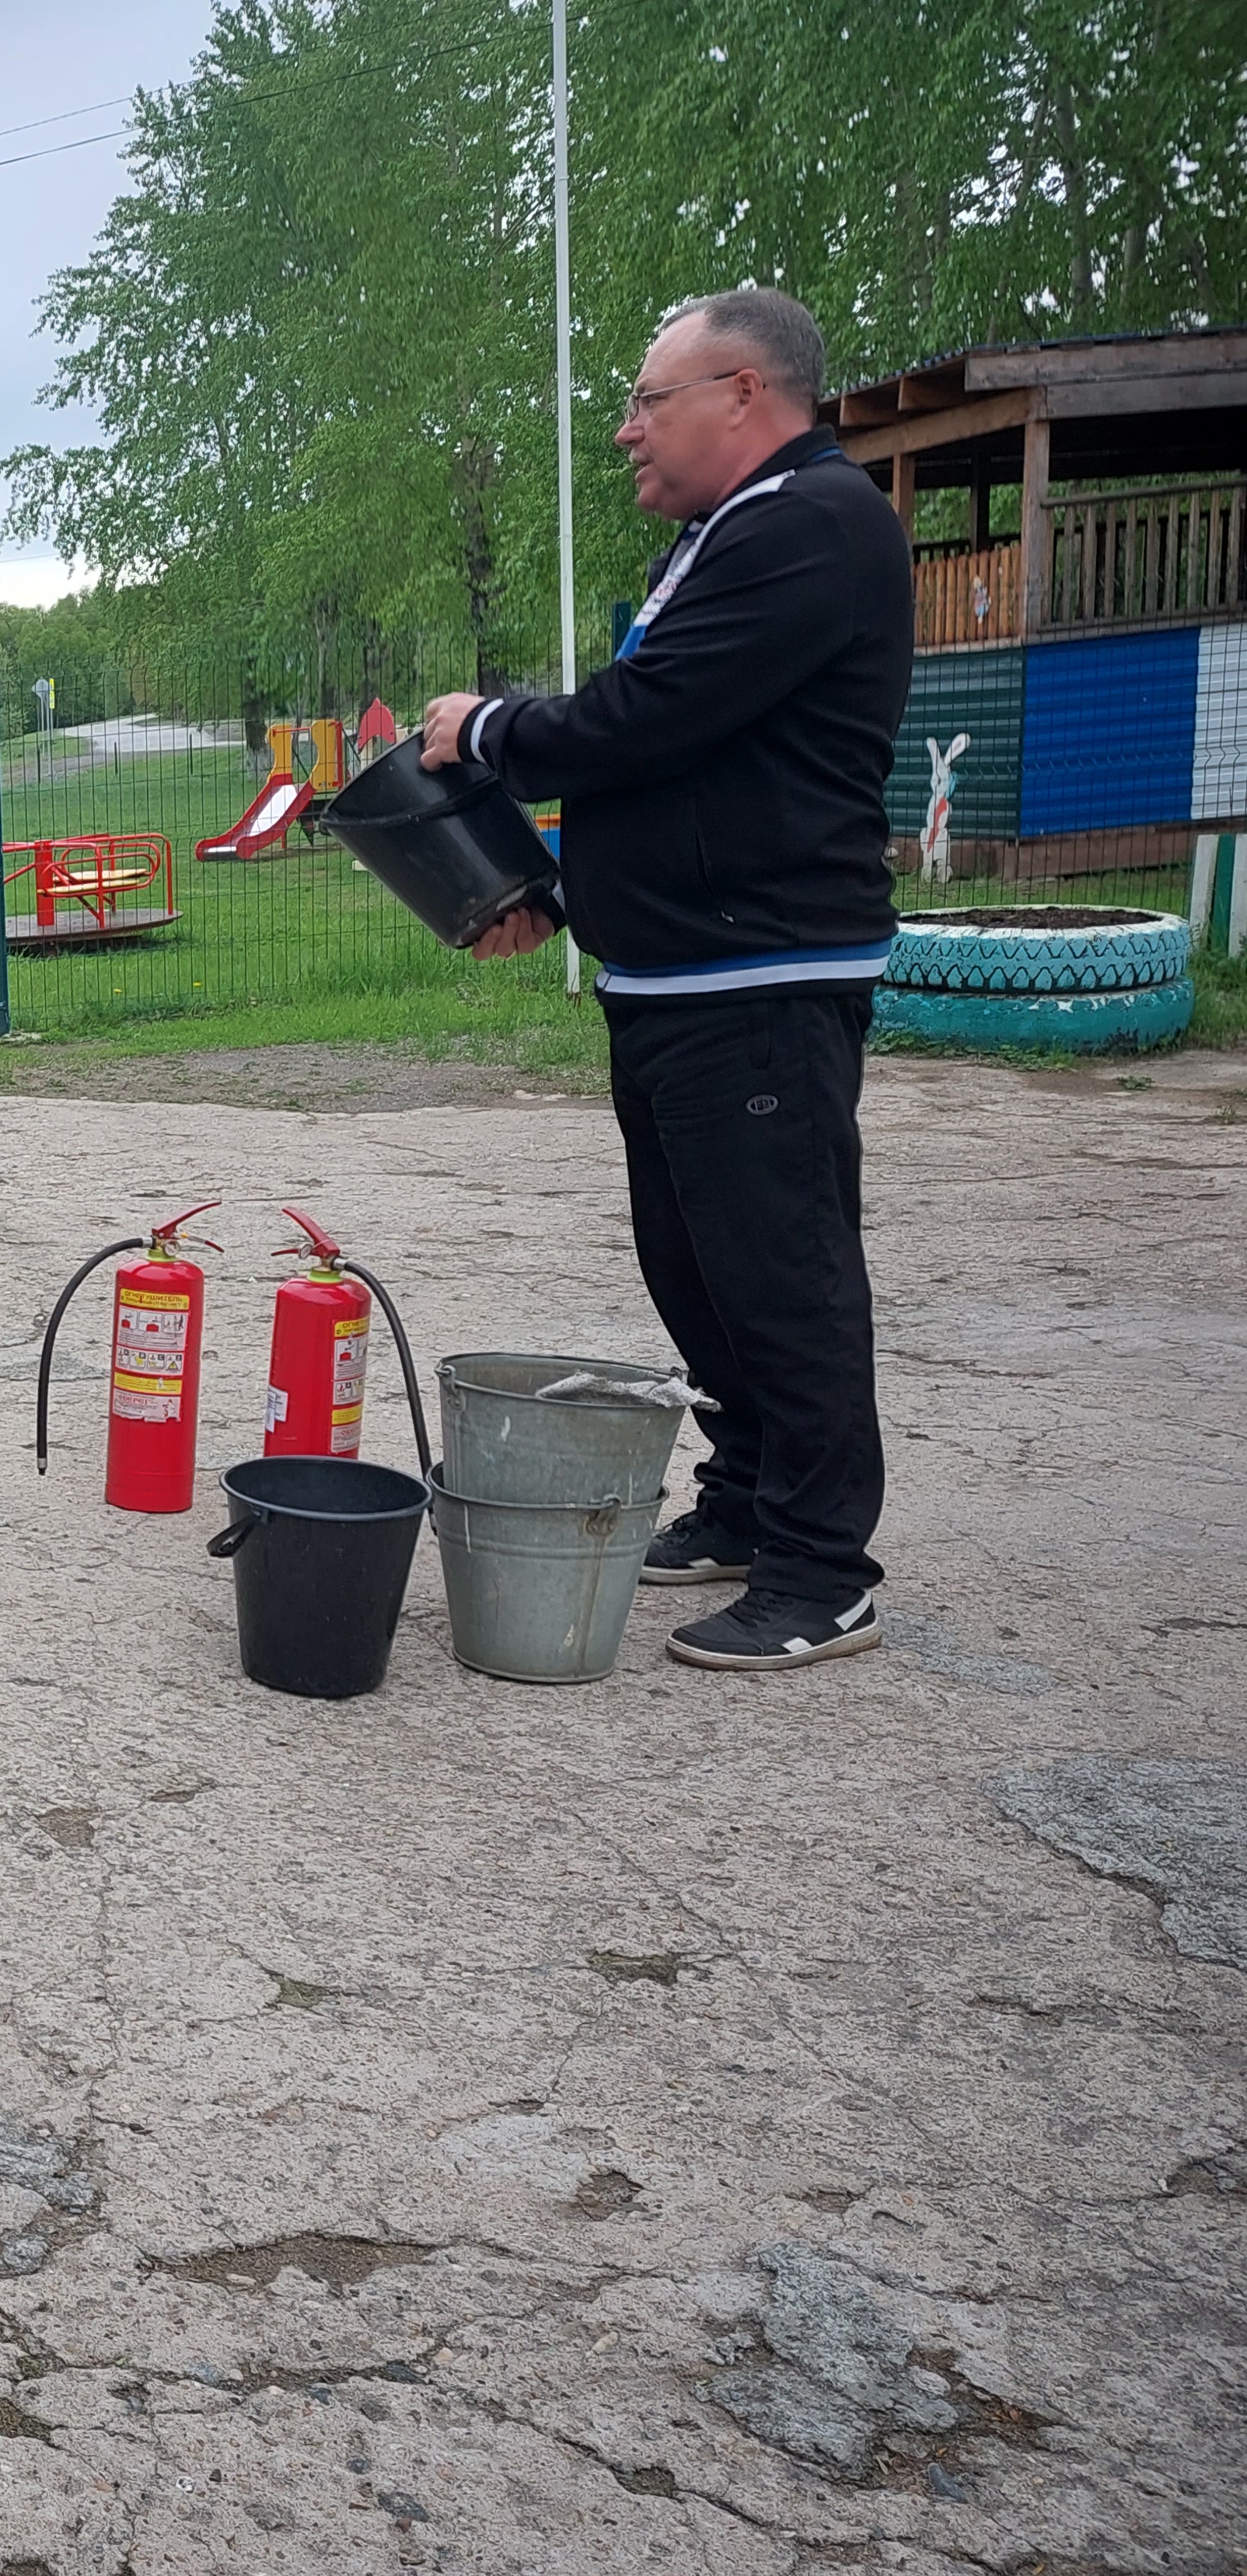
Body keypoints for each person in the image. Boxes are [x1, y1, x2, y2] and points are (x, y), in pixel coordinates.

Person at [419, 285, 910, 1674]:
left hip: (758, 976)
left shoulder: (808, 526)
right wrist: (559, 898)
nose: (627, 430)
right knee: (696, 1269)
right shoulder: (732, 534)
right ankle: (745, 1499)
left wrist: (489, 728)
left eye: (648, 400)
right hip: (679, 972)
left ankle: (821, 1566)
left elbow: (651, 720)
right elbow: (702, 773)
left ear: (741, 394)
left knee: (780, 1274)